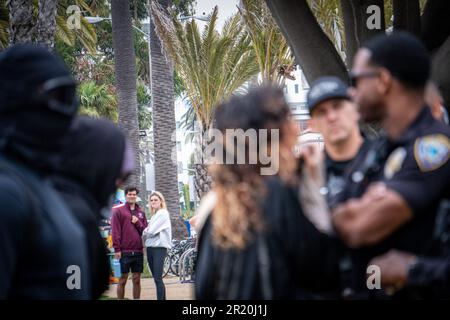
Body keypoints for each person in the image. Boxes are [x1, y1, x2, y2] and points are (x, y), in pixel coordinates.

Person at [331, 32, 450, 299]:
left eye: (356, 80)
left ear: (383, 81)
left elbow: (359, 226)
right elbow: (340, 212)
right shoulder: (379, 149)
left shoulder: (434, 149)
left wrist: (414, 270)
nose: (351, 92)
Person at [195, 86, 341, 299]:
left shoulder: (218, 205)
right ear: (275, 139)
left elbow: (203, 289)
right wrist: (314, 187)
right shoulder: (276, 196)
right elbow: (325, 272)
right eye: (290, 121)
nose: (297, 130)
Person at [0, 44, 89, 299]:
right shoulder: (7, 192)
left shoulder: (40, 184)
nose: (70, 110)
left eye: (72, 96)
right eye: (59, 96)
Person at [51, 116, 134, 299]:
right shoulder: (74, 218)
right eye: (117, 174)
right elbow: (75, 290)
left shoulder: (54, 202)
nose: (118, 184)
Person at [111, 186, 148, 299]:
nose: (132, 196)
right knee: (123, 279)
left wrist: (138, 223)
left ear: (136, 196)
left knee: (137, 280)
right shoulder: (118, 211)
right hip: (124, 251)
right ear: (126, 196)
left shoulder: (141, 212)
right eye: (129, 194)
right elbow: (115, 230)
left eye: (134, 194)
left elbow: (145, 231)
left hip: (138, 251)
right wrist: (117, 249)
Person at [143, 191, 172, 300]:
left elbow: (150, 231)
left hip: (159, 248)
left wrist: (147, 231)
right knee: (156, 278)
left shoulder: (163, 213)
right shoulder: (155, 215)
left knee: (158, 278)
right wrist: (147, 230)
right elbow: (147, 230)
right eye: (151, 200)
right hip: (150, 248)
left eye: (156, 200)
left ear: (161, 201)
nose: (153, 202)